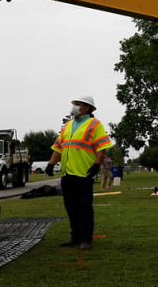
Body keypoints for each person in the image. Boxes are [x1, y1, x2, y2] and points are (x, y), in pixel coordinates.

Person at [47, 95, 113, 250]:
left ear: (87, 108)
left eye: (77, 104)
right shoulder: (68, 125)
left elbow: (102, 146)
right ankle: (75, 236)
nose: (74, 106)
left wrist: (97, 164)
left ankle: (86, 238)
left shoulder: (94, 124)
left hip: (84, 173)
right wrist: (51, 164)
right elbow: (58, 147)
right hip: (68, 173)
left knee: (84, 207)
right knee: (70, 207)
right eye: (74, 104)